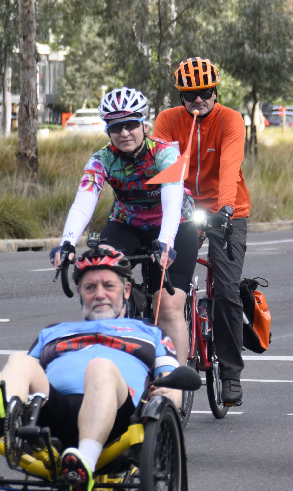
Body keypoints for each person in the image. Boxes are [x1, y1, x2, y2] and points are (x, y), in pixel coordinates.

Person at [0, 247, 179, 491]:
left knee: (99, 366)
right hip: (54, 414)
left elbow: (173, 383)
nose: (99, 294)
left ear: (126, 291)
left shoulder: (152, 333)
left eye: (108, 286)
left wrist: (166, 396)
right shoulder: (54, 331)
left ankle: (85, 464)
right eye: (90, 288)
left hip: (117, 419)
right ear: (80, 293)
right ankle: (4, 416)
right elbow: (29, 373)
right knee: (20, 360)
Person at [50, 87, 194, 368]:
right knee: (101, 266)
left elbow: (172, 199)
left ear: (144, 124)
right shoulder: (101, 159)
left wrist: (166, 242)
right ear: (108, 130)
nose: (124, 132)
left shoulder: (166, 154)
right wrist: (67, 242)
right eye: (116, 127)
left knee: (167, 306)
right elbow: (84, 201)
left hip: (174, 225)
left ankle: (175, 384)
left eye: (130, 124)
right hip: (126, 223)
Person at [152, 57, 251, 406]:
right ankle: (162, 363)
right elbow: (164, 168)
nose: (199, 100)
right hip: (184, 208)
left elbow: (229, 165)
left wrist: (224, 208)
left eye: (206, 93)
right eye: (190, 94)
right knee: (161, 282)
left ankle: (230, 372)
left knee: (225, 289)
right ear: (180, 95)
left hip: (228, 209)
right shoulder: (167, 120)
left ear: (215, 91)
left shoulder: (230, 119)